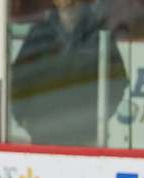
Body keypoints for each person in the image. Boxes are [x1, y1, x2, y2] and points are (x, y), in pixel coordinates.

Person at [10, 0, 128, 146]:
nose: (69, 7)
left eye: (73, 3)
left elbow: (119, 80)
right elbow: (17, 79)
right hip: (44, 136)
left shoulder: (98, 34)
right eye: (64, 3)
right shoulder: (40, 34)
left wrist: (99, 118)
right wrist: (22, 117)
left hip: (86, 136)